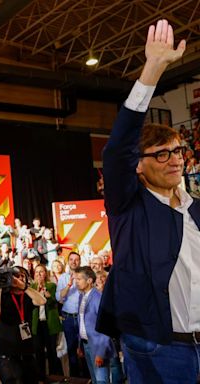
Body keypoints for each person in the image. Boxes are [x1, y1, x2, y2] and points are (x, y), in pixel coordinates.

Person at [97, 19, 199, 383]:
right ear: (138, 166)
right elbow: (117, 150)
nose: (175, 159)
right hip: (158, 349)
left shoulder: (195, 208)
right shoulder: (128, 206)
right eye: (161, 154)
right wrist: (153, 69)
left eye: (178, 150)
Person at [0, 266, 46, 384]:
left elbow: (42, 301)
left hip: (27, 350)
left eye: (21, 276)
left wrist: (23, 287)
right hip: (7, 352)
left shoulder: (28, 294)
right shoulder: (2, 296)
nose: (17, 279)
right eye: (14, 276)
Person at [75, 267, 118, 384]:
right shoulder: (81, 296)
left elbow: (105, 327)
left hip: (98, 346)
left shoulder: (98, 298)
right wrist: (80, 344)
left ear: (89, 280)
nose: (76, 281)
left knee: (101, 380)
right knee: (95, 379)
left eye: (79, 279)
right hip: (86, 344)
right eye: (75, 279)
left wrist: (100, 352)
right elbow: (81, 321)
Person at [31, 265, 62, 383]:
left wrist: (48, 296)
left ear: (45, 273)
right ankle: (41, 378)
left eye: (41, 272)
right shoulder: (31, 287)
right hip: (37, 324)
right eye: (37, 272)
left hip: (49, 324)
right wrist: (37, 291)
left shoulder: (52, 286)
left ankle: (54, 377)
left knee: (52, 352)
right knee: (38, 352)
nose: (39, 274)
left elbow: (55, 303)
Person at [56, 251, 83, 378]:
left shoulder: (84, 276)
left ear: (80, 262)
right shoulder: (63, 278)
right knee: (71, 350)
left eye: (76, 259)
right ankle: (75, 378)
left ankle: (87, 377)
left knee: (84, 348)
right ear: (68, 262)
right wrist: (69, 284)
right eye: (71, 259)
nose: (74, 262)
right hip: (68, 318)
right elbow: (58, 297)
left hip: (82, 317)